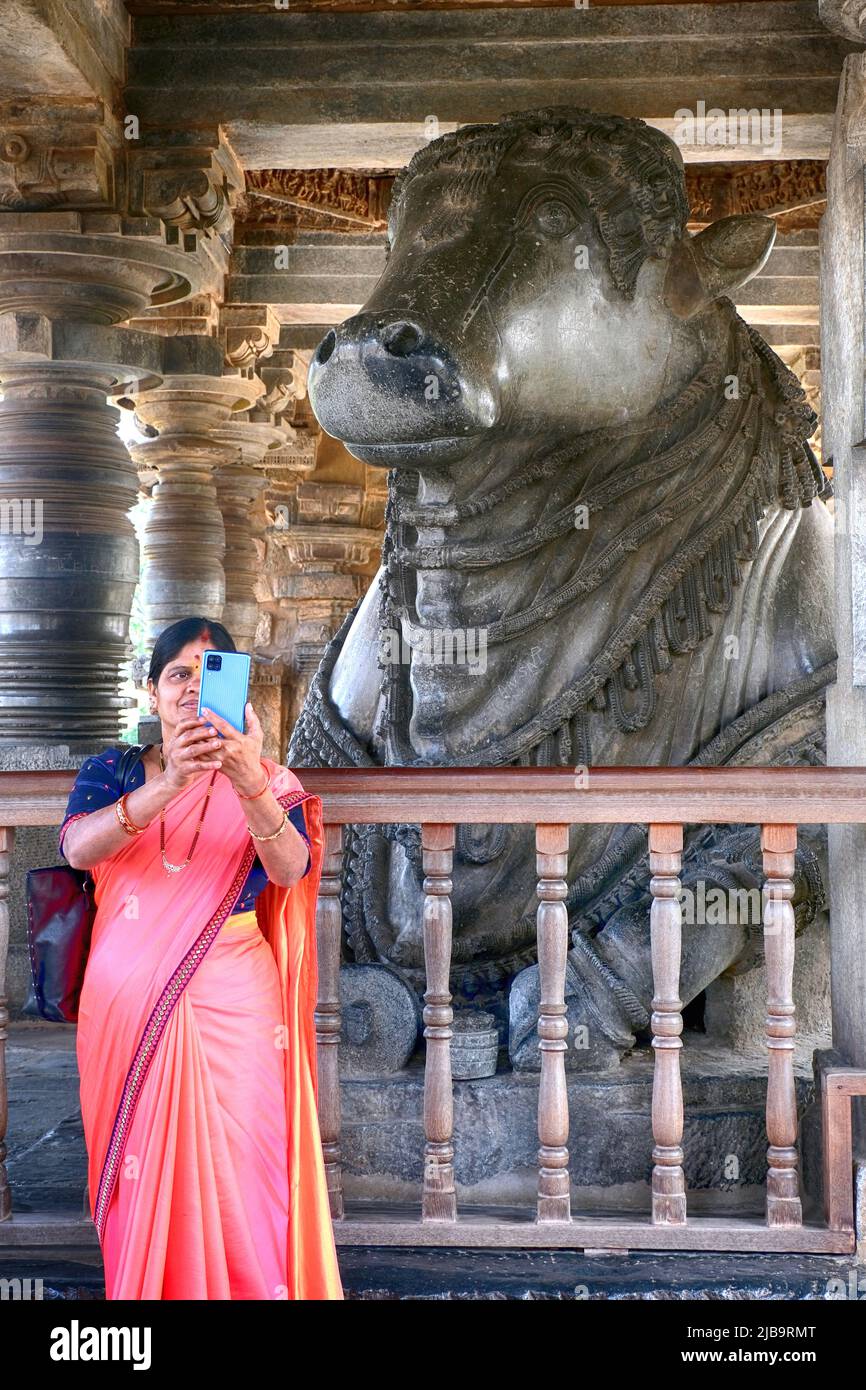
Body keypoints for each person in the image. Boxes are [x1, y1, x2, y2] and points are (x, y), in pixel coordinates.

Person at [58, 616, 344, 1300]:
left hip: (237, 1006)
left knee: (242, 1167)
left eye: (211, 673)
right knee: (140, 1173)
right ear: (151, 692)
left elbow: (289, 869)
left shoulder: (268, 775)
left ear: (240, 691)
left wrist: (246, 781)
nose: (191, 689)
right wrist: (171, 782)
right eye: (177, 674)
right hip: (126, 1005)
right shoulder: (114, 770)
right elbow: (77, 849)